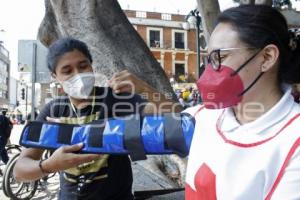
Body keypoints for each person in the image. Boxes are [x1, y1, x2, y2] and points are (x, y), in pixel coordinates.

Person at [14, 38, 181, 200]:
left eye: (83, 66)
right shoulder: (54, 110)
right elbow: (19, 170)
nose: (78, 74)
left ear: (91, 66)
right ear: (55, 76)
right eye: (67, 71)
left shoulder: (116, 100)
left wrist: (143, 87)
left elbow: (177, 114)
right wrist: (49, 165)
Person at [184, 5, 300, 200]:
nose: (209, 71)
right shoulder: (205, 116)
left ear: (267, 57)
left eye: (220, 57)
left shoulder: (293, 140)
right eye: (208, 59)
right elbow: (141, 131)